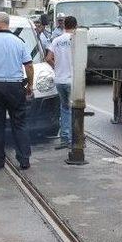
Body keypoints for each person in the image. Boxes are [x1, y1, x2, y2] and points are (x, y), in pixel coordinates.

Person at [0, 13, 35, 170]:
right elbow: (29, 66)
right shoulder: (19, 42)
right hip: (16, 87)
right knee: (20, 123)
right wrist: (30, 85)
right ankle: (24, 159)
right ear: (7, 24)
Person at [46, 15, 76, 150]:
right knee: (76, 109)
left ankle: (65, 138)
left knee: (64, 108)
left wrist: (56, 67)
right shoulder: (77, 40)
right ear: (76, 26)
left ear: (64, 26)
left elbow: (48, 58)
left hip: (60, 80)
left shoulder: (56, 40)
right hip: (73, 80)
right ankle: (74, 138)